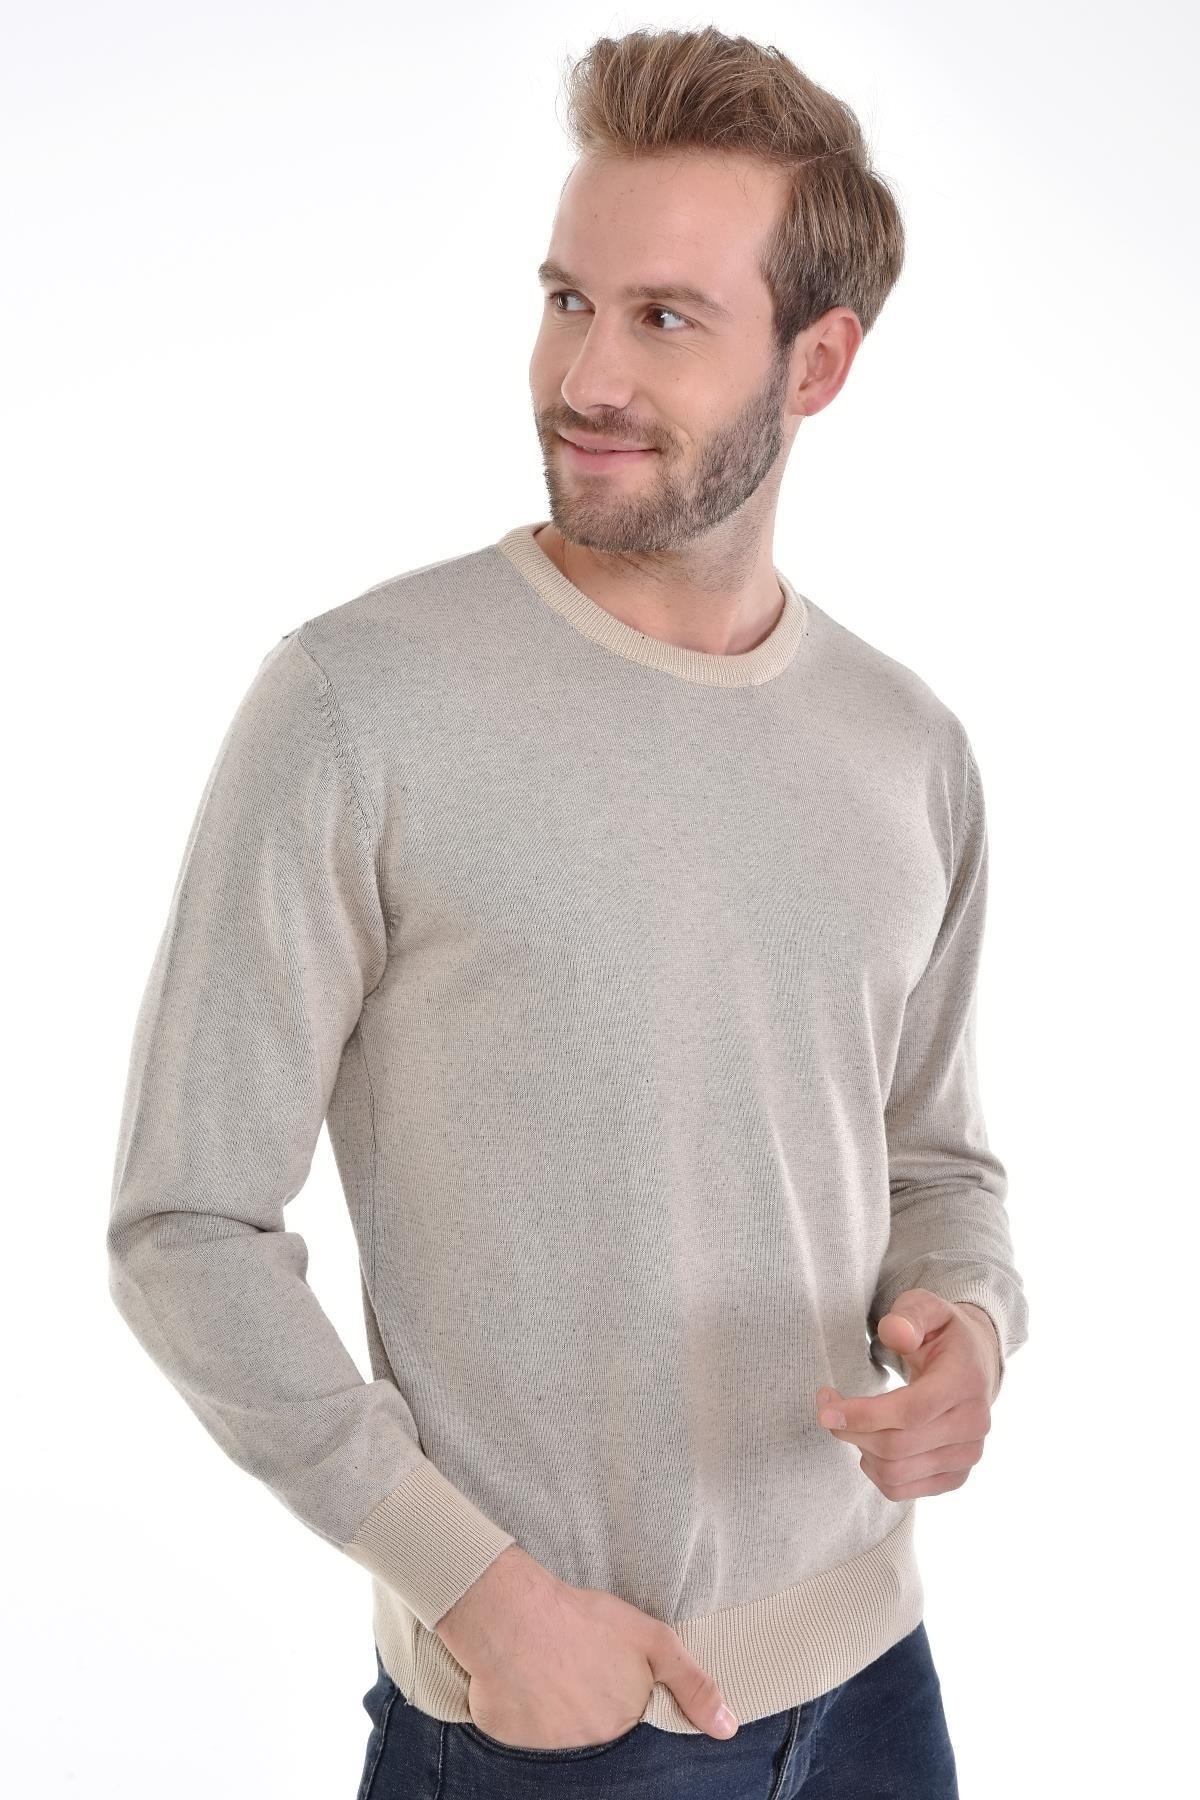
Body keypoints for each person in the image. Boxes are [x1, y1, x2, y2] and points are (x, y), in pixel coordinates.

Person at [106, 24, 1028, 1799]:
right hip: (556, 1721)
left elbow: (936, 1167)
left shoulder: (907, 747)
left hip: (877, 1687)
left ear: (819, 362)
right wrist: (477, 1592)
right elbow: (185, 1223)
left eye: (665, 318)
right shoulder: (358, 704)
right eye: (565, 301)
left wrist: (968, 1325)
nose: (585, 375)